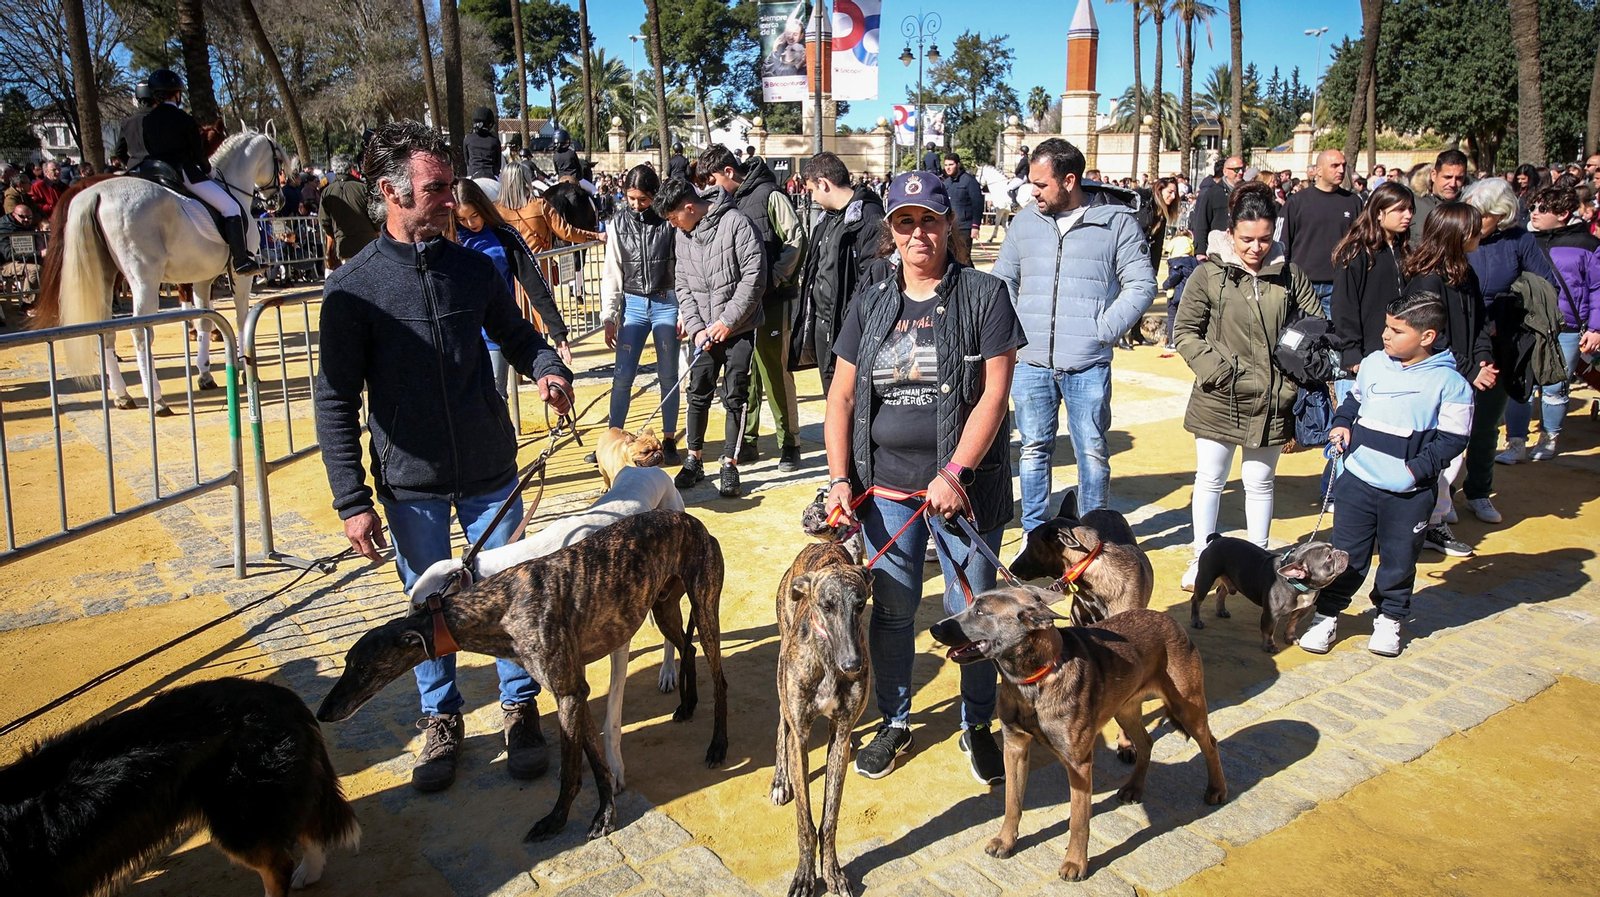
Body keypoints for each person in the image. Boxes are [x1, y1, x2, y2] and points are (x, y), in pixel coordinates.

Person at [313, 120, 574, 793]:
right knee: (428, 607)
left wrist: (546, 368)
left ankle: (519, 706)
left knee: (512, 595)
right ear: (391, 194)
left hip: (490, 466)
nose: (450, 198)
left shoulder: (474, 267)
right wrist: (351, 500)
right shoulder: (351, 289)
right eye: (436, 188)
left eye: (449, 185)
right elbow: (336, 400)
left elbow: (517, 335)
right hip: (410, 484)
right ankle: (442, 717)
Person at [823, 170, 1025, 784]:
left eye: (928, 221)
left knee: (973, 612)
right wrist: (839, 481)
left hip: (959, 491)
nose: (917, 234)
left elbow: (994, 394)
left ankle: (978, 724)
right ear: (891, 230)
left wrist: (955, 471)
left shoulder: (985, 295)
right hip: (883, 489)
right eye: (905, 222)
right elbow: (842, 396)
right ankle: (895, 720)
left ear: (948, 225)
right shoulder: (872, 299)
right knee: (892, 610)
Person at [1297, 292, 1474, 658]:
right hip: (1357, 482)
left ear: (1427, 336)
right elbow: (1354, 401)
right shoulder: (1375, 362)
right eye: (1386, 327)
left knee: (1399, 558)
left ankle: (1390, 618)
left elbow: (1453, 440)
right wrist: (1343, 425)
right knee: (1345, 555)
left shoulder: (1451, 383)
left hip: (1408, 494)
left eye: (1397, 330)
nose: (1385, 335)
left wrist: (1414, 471)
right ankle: (1327, 615)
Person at [993, 138, 1155, 530]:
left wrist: (1102, 331)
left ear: (1069, 180)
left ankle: (1092, 533)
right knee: (1033, 450)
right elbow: (1002, 281)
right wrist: (1018, 332)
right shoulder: (1025, 222)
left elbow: (1141, 284)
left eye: (1041, 183)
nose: (1033, 191)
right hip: (1031, 362)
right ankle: (1036, 532)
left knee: (1093, 452)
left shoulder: (1117, 223)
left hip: (1087, 364)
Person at [1174, 182, 1323, 590]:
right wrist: (1218, 371)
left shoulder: (1291, 276)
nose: (1256, 248)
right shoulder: (1208, 274)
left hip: (1274, 399)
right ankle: (1203, 558)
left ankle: (1258, 562)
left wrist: (1294, 374)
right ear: (1230, 232)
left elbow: (1313, 326)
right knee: (1211, 479)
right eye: (1246, 239)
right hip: (1219, 397)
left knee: (1260, 482)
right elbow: (1186, 331)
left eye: (1264, 239)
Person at [698, 144, 806, 470]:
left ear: (728, 172)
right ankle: (747, 440)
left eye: (714, 180)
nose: (710, 188)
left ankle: (790, 443)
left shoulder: (770, 195)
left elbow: (795, 239)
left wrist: (773, 278)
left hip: (772, 300)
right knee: (746, 375)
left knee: (774, 371)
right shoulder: (727, 204)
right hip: (741, 306)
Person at [656, 177, 766, 498]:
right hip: (703, 330)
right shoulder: (683, 235)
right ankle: (694, 459)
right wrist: (695, 327)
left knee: (735, 394)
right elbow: (683, 285)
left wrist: (727, 321)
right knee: (697, 392)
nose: (674, 224)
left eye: (674, 217)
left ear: (689, 207)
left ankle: (729, 463)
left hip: (739, 328)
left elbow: (754, 278)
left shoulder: (737, 224)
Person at [1456, 178, 1557, 519]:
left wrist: (1510, 310)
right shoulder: (1456, 232)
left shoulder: (1519, 241)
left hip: (1499, 344)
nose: (1474, 220)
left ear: (1501, 215)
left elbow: (1545, 287)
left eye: (1481, 215)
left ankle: (1479, 491)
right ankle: (1441, 498)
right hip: (1455, 342)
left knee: (1485, 424)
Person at [1401, 201, 1493, 554]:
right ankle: (1431, 524)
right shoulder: (1428, 280)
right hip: (1435, 380)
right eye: (1474, 228)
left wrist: (1482, 359)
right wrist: (1471, 368)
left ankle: (1436, 514)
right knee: (1441, 453)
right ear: (1456, 234)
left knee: (1455, 453)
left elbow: (1480, 323)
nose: (1481, 233)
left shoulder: (1465, 273)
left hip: (1461, 379)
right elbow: (1430, 336)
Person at [1502, 184, 1600, 462]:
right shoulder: (1520, 239)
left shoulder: (1587, 245)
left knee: (1555, 385)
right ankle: (1516, 442)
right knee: (1521, 384)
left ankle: (1549, 437)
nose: (1533, 213)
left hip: (1566, 327)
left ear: (1563, 213)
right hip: (1525, 324)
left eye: (1542, 209)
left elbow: (1598, 288)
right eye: (1532, 207)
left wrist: (1595, 328)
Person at [451, 177, 572, 397]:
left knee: (495, 397)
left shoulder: (504, 236)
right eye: (462, 218)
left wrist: (558, 332)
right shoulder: (448, 239)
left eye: (474, 215)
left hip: (494, 337)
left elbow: (535, 284)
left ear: (483, 206)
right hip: (459, 336)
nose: (470, 224)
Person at [133, 69, 259, 273]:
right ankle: (241, 260)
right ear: (176, 94)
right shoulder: (184, 119)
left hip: (156, 173)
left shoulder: (147, 120)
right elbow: (198, 154)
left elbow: (148, 147)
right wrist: (208, 171)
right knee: (231, 207)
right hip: (184, 174)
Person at [599, 164, 681, 460]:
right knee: (622, 375)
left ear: (653, 195)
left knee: (668, 374)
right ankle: (612, 437)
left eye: (642, 199)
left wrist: (683, 310)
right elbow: (612, 271)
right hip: (632, 304)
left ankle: (669, 438)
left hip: (666, 301)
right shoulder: (617, 223)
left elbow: (681, 265)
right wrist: (609, 315)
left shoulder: (668, 221)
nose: (636, 205)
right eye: (630, 198)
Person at [792, 151, 884, 394]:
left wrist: (849, 321)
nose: (811, 197)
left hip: (849, 326)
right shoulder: (826, 219)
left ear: (823, 183)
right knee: (832, 399)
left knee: (849, 400)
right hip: (824, 325)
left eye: (811, 190)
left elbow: (872, 278)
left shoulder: (868, 216)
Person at [1284, 149, 1361, 320]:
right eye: (1334, 165)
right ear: (1318, 170)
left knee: (1332, 339)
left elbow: (1359, 242)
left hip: (1338, 285)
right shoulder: (1297, 202)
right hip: (1303, 286)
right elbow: (1282, 244)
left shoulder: (1353, 202)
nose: (1341, 170)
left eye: (1343, 165)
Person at [318, 153, 378, 270]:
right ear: (350, 168)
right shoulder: (362, 188)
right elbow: (375, 216)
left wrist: (335, 234)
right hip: (368, 243)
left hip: (344, 245)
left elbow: (324, 221)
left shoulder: (327, 192)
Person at [1410, 149, 1469, 247]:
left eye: (1459, 178)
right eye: (1447, 177)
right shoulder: (1412, 205)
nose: (1453, 184)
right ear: (1434, 175)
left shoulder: (1470, 208)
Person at [1191, 156, 1244, 261]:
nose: (1241, 172)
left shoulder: (1248, 193)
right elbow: (1202, 222)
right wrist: (1200, 251)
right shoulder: (1211, 194)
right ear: (1225, 171)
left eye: (1243, 169)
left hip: (1241, 248)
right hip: (1218, 250)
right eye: (1236, 170)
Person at [940, 154, 984, 247]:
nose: (948, 168)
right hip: (948, 228)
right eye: (946, 165)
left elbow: (978, 205)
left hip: (964, 228)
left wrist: (975, 226)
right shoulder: (946, 183)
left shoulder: (969, 181)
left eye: (951, 165)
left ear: (958, 164)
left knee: (963, 259)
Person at [112, 81, 157, 170]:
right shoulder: (163, 118)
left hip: (135, 168)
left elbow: (119, 151)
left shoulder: (127, 122)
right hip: (159, 167)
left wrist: (131, 163)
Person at [1137, 176, 1180, 261]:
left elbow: (1157, 244)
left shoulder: (1162, 214)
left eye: (1175, 193)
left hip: (1143, 258)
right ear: (1160, 190)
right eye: (1170, 192)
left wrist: (1154, 270)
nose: (1173, 196)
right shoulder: (1142, 202)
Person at [0, 202, 41, 292]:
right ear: (14, 215)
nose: (26, 220)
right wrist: (39, 253)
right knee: (35, 269)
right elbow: (9, 255)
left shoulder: (28, 226)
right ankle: (28, 303)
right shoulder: (4, 228)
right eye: (22, 217)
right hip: (6, 264)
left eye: (29, 218)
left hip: (25, 260)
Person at [464, 107, 503, 180]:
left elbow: (467, 162)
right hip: (492, 174)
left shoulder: (467, 140)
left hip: (472, 174)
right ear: (490, 124)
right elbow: (498, 165)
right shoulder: (495, 141)